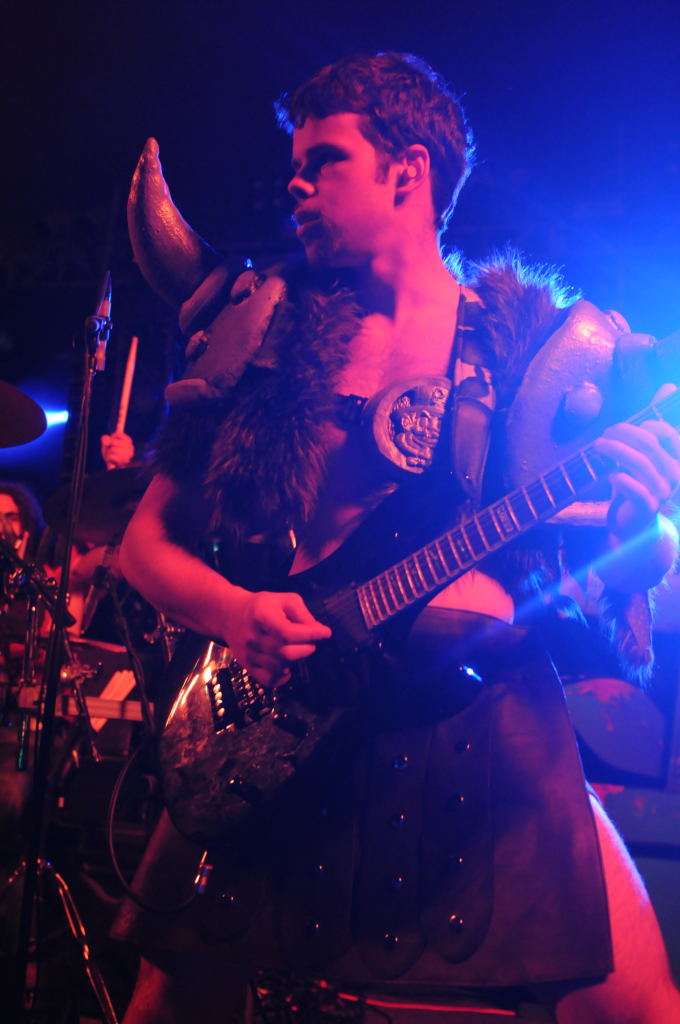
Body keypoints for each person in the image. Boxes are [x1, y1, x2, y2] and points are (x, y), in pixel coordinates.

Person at [112, 53, 680, 1023]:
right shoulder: (265, 336)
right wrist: (239, 614)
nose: (295, 183)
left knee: (637, 1007)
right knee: (172, 990)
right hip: (285, 718)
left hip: (482, 720)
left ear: (407, 171)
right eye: (294, 165)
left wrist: (640, 521)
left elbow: (620, 560)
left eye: (323, 160)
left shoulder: (536, 348)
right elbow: (144, 545)